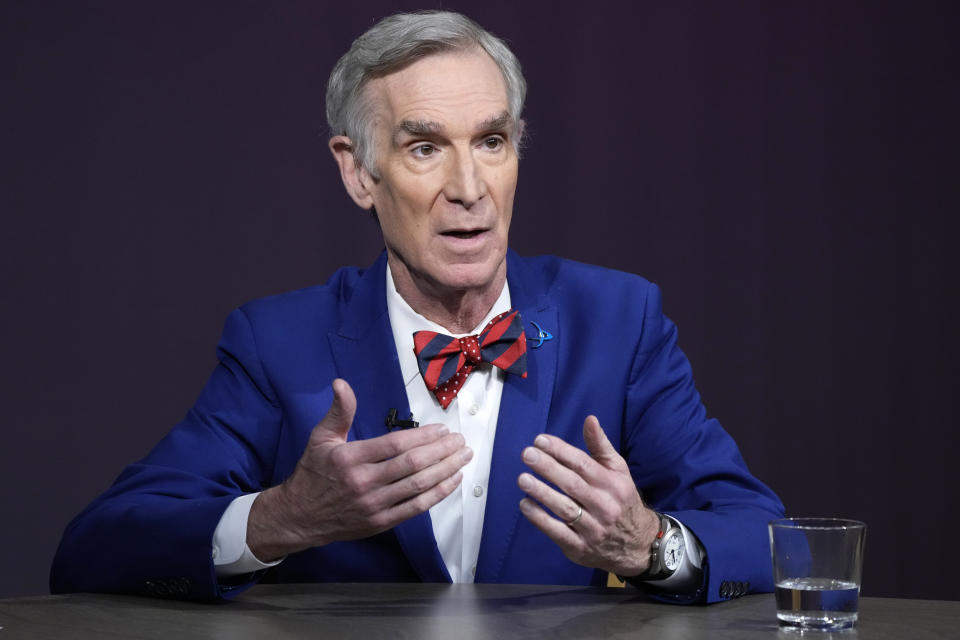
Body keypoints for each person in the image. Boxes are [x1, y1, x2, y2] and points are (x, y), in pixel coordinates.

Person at [50, 10, 783, 603]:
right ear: (359, 172)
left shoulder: (618, 322)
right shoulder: (279, 343)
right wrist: (283, 519)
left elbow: (773, 539)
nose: (470, 187)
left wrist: (649, 544)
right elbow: (98, 546)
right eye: (426, 149)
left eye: (491, 141)